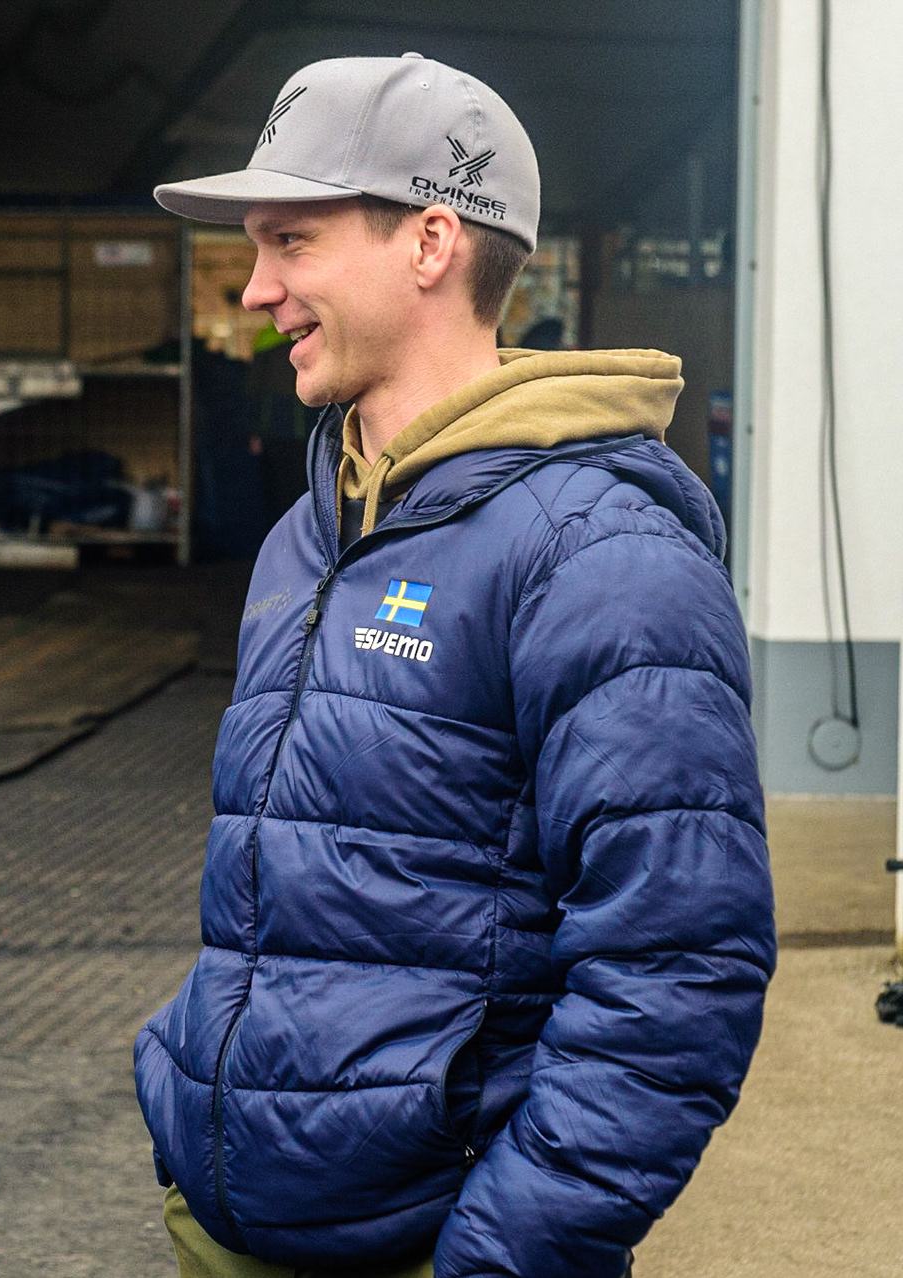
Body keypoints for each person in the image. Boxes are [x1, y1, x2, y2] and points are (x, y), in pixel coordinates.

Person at [134, 55, 774, 1278]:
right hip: (229, 1225)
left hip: (435, 1241)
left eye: (291, 242)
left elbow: (678, 972)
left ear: (431, 242)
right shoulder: (310, 529)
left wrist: (503, 1255)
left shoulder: (600, 554)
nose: (256, 289)